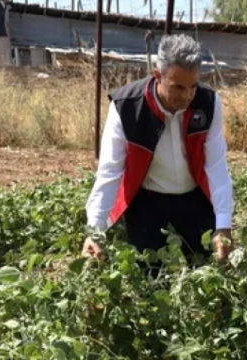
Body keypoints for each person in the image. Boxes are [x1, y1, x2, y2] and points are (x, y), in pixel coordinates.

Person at [82, 34, 235, 266]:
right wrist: (95, 231)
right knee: (150, 283)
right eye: (178, 87)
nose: (187, 96)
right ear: (157, 76)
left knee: (209, 272)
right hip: (147, 203)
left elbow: (216, 166)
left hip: (195, 199)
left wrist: (223, 224)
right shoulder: (126, 107)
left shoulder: (208, 103)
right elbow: (110, 172)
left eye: (193, 86)